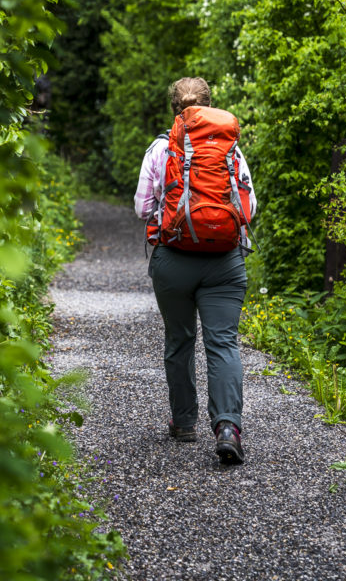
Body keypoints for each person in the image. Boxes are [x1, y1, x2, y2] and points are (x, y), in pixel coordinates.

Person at [134, 77, 256, 464]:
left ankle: (184, 422)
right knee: (223, 342)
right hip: (224, 260)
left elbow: (142, 208)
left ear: (175, 109)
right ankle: (227, 427)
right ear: (208, 106)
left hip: (172, 260)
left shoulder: (160, 148)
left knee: (180, 340)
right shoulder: (230, 149)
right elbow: (249, 205)